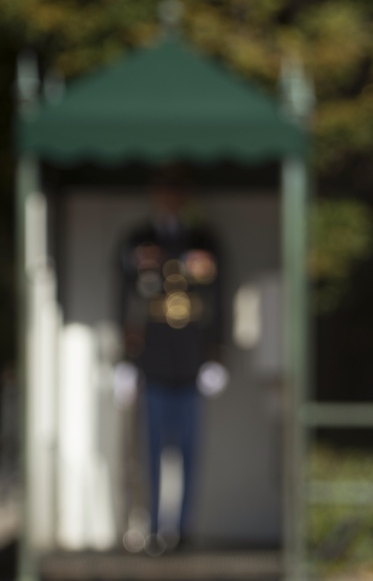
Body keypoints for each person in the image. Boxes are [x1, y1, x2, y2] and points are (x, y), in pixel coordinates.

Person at [115, 170, 227, 555]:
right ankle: (152, 525)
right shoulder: (139, 239)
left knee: (189, 451)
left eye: (177, 190)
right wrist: (126, 359)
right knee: (151, 452)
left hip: (191, 359)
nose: (171, 198)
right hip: (153, 359)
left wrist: (215, 354)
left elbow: (218, 298)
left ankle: (182, 528)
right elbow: (126, 299)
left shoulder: (202, 238)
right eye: (165, 191)